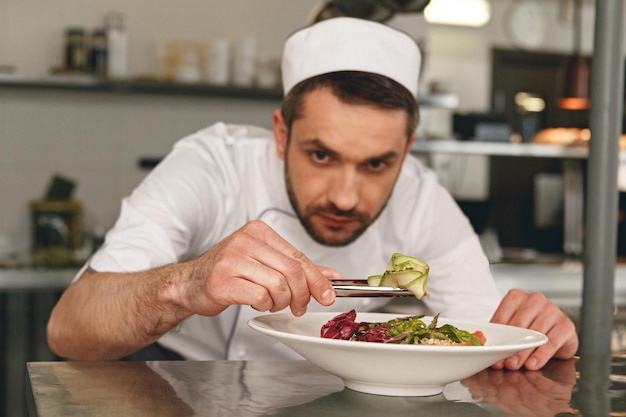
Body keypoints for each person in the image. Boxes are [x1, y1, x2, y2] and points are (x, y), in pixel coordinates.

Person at [47, 17, 578, 370]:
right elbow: (69, 330)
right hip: (176, 380)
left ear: (408, 147)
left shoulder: (423, 202)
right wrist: (188, 284)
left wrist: (539, 338)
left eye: (377, 163)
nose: (346, 197)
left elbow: (486, 339)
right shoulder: (215, 163)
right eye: (321, 155)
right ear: (281, 133)